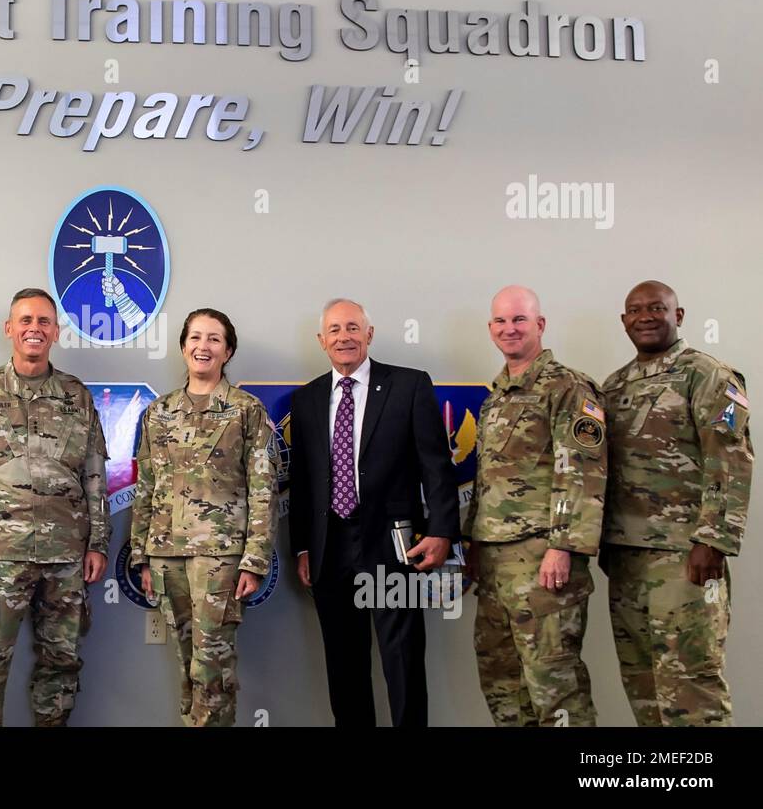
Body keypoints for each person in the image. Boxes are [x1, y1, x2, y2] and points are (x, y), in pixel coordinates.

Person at [0, 288, 108, 726]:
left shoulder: (76, 396)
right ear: (9, 329)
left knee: (61, 669)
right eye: (25, 320)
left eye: (44, 322)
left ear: (56, 333)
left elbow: (94, 475)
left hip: (66, 558)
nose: (35, 329)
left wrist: (99, 542)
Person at [287, 298, 459, 727]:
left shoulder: (409, 385)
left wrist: (441, 532)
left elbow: (435, 466)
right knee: (344, 669)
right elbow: (304, 482)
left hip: (393, 547)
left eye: (352, 328)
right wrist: (303, 547)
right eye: (334, 330)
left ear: (369, 334)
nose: (343, 337)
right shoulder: (307, 399)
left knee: (401, 663)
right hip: (331, 550)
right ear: (321, 340)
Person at [600, 280, 751, 726]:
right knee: (643, 683)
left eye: (657, 308)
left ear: (678, 315)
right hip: (626, 559)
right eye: (635, 310)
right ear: (624, 321)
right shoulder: (614, 385)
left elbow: (731, 459)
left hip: (685, 557)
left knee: (691, 686)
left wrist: (713, 540)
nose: (645, 316)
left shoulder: (707, 375)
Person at [465, 285, 607, 727]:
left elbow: (583, 472)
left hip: (544, 561)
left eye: (519, 320)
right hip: (495, 564)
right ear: (490, 329)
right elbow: (491, 480)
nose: (510, 329)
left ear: (539, 325)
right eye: (501, 321)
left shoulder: (568, 387)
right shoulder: (497, 396)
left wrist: (563, 547)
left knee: (555, 686)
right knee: (503, 683)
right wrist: (474, 544)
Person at [131, 308, 275, 726]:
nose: (203, 346)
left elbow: (263, 489)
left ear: (227, 351)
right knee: (185, 666)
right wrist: (141, 554)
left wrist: (254, 560)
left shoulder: (247, 411)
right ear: (183, 347)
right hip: (166, 556)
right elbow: (147, 485)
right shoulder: (158, 413)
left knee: (212, 667)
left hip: (221, 559)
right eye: (195, 337)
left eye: (214, 339)